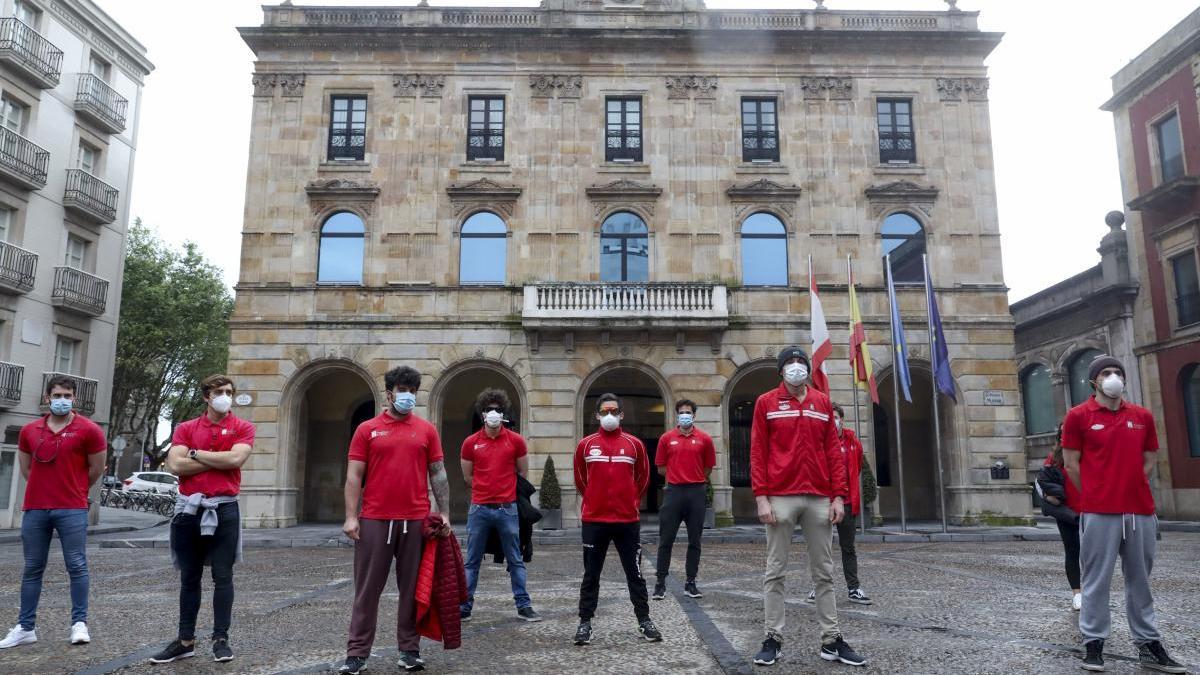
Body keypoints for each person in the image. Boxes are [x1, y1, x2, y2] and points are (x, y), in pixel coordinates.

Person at [1062, 355, 1186, 673]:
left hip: (1140, 511)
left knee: (1140, 581)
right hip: (1099, 511)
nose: (1114, 376)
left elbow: (1149, 457)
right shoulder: (1078, 416)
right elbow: (1072, 463)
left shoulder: (1142, 415)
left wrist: (1133, 482)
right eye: (1106, 372)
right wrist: (1094, 491)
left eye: (1118, 372)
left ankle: (1148, 643)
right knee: (1095, 580)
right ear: (1094, 381)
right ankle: (1093, 642)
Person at [751, 347, 865, 668]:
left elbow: (833, 451)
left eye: (802, 362)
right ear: (781, 370)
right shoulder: (766, 403)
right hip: (780, 496)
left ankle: (831, 639)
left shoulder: (822, 403)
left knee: (824, 573)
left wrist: (838, 496)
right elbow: (758, 451)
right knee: (775, 572)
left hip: (819, 496)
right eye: (791, 363)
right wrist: (761, 496)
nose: (797, 367)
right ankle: (772, 638)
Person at [339, 366, 450, 675]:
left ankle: (409, 651)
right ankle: (357, 654)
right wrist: (350, 517)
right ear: (388, 393)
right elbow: (354, 475)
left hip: (415, 520)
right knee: (366, 590)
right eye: (403, 390)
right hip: (374, 519)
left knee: (413, 590)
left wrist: (444, 512)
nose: (408, 396)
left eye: (413, 391)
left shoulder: (427, 430)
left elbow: (438, 472)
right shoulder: (367, 429)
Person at [151, 375, 255, 664]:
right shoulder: (186, 428)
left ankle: (220, 639)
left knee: (223, 576)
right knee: (190, 577)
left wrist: (195, 455)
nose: (225, 396)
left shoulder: (243, 427)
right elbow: (174, 464)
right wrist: (216, 457)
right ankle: (185, 641)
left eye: (229, 392)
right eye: (219, 391)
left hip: (225, 509)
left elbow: (235, 461)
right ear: (206, 397)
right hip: (189, 509)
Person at [0, 376, 105, 650]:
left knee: (77, 565)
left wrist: (75, 488)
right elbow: (26, 468)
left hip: (72, 507)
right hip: (35, 508)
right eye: (58, 395)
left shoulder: (89, 430)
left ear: (74, 399)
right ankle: (25, 628)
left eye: (68, 395)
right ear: (48, 398)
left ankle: (79, 624)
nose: (63, 400)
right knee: (32, 568)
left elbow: (96, 469)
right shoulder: (29, 430)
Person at [572, 393, 662, 646]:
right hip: (594, 520)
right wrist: (593, 499)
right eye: (604, 411)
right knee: (591, 574)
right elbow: (581, 479)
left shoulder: (634, 445)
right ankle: (585, 623)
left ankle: (644, 620)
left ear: (621, 414)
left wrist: (632, 500)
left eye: (613, 411)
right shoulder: (585, 445)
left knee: (635, 573)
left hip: (626, 521)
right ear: (597, 415)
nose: (609, 415)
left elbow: (643, 478)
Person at [459, 388, 541, 622]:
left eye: (497, 409)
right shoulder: (470, 443)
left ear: (503, 413)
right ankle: (465, 606)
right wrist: (486, 488)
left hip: (508, 508)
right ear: (482, 413)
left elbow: (522, 473)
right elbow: (467, 477)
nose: (493, 413)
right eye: (489, 409)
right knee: (472, 561)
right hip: (479, 508)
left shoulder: (515, 441)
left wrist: (505, 489)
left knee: (515, 559)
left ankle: (523, 605)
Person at [808, 404, 872, 606]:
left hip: (846, 503)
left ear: (842, 419)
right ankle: (818, 587)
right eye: (830, 417)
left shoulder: (853, 442)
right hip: (823, 503)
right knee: (820, 549)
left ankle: (853, 588)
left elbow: (857, 468)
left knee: (848, 547)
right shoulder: (819, 443)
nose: (833, 420)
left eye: (836, 417)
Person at [652, 398, 716, 601]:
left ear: (694, 415)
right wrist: (677, 476)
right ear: (677, 415)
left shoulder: (705, 439)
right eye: (681, 412)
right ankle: (660, 583)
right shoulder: (666, 438)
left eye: (688, 412)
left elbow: (708, 468)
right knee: (666, 540)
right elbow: (661, 468)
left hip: (696, 492)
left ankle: (691, 582)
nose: (685, 415)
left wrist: (693, 478)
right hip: (673, 493)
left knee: (695, 541)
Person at [1035, 424, 1081, 611]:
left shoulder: (1089, 454)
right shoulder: (1054, 459)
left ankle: (1094, 592)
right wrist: (1048, 497)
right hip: (1068, 514)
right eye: (1064, 434)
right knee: (1072, 552)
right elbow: (1041, 483)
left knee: (1094, 555)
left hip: (1093, 511)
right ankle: (1077, 594)